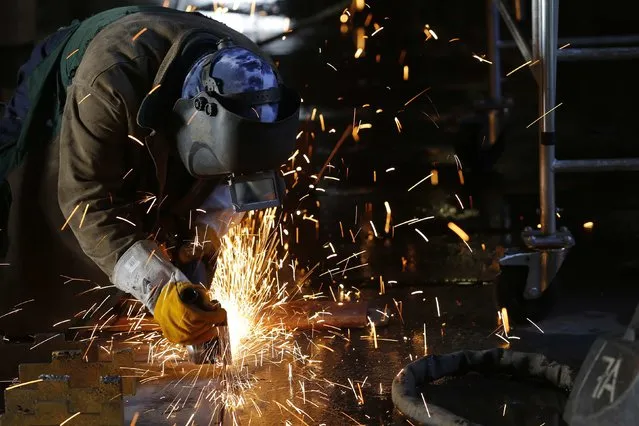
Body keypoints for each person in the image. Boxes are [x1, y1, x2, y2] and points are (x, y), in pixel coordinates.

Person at [0, 6, 300, 346]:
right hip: (69, 83)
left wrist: (209, 226)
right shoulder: (106, 82)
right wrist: (158, 288)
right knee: (28, 209)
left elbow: (237, 176)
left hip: (153, 86)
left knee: (173, 231)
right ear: (188, 118)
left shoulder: (256, 82)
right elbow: (87, 202)